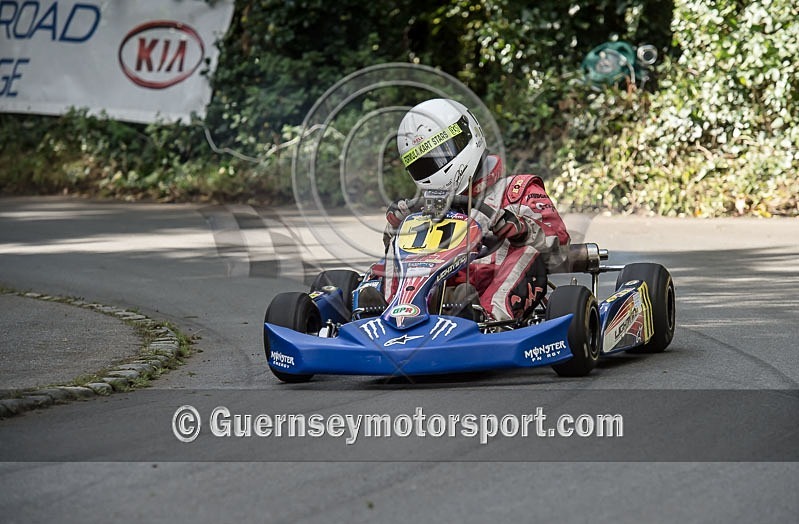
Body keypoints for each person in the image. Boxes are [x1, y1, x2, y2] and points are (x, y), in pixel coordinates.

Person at [373, 98, 571, 322]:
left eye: (441, 154)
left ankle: (489, 318)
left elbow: (558, 249)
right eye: (425, 164)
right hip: (433, 291)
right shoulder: (424, 207)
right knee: (394, 253)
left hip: (491, 286)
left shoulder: (516, 190)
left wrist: (522, 229)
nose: (436, 167)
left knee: (527, 252)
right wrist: (396, 228)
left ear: (467, 136)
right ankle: (385, 313)